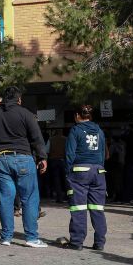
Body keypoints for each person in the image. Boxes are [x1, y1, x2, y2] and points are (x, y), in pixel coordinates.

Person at [0, 86, 48, 248]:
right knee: (29, 198)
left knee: (5, 198)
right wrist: (42, 157)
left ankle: (6, 237)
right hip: (23, 157)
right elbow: (37, 137)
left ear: (3, 98)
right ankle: (31, 238)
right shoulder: (26, 114)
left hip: (1, 159)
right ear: (19, 99)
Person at [64, 104, 107, 251]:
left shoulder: (75, 130)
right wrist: (99, 168)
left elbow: (70, 154)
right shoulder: (100, 131)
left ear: (77, 115)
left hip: (79, 172)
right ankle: (100, 243)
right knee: (97, 208)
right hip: (98, 172)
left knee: (79, 208)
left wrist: (68, 172)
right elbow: (102, 154)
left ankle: (76, 242)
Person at [46, 129, 68, 203]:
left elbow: (47, 150)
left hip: (54, 160)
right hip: (63, 160)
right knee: (66, 179)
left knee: (56, 180)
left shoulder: (51, 140)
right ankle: (68, 197)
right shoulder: (66, 139)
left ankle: (59, 197)